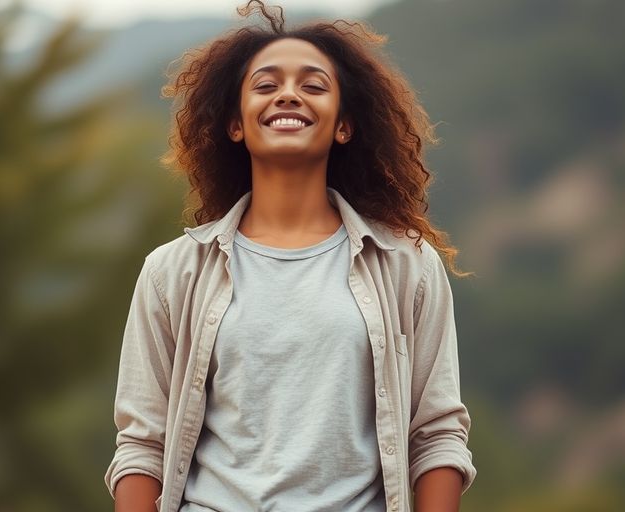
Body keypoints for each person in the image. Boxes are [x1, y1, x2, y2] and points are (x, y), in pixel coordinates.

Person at [105, 1, 476, 510]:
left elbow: (436, 435)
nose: (288, 95)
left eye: (313, 85)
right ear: (236, 124)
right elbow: (143, 445)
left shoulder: (405, 264)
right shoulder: (173, 272)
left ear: (343, 125)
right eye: (265, 84)